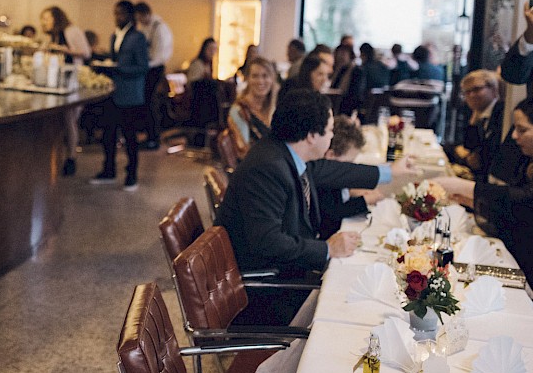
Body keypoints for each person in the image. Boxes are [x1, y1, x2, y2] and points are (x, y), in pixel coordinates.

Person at [215, 89, 413, 323]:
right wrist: (327, 249)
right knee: (363, 304)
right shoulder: (267, 168)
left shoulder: (284, 152)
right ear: (311, 135)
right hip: (268, 290)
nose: (331, 137)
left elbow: (332, 171)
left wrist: (390, 171)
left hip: (284, 273)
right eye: (329, 130)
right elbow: (267, 242)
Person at [432, 97, 533, 282]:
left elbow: (524, 202)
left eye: (523, 130)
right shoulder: (526, 160)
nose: (514, 136)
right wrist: (473, 201)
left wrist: (468, 188)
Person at [90, 0, 148, 191]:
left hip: (130, 95)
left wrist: (118, 68)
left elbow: (142, 67)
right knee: (109, 134)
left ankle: (132, 175)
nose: (117, 17)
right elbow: (115, 60)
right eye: (115, 13)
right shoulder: (115, 36)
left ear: (130, 16)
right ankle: (109, 170)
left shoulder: (138, 38)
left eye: (121, 14)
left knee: (130, 137)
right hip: (113, 92)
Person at [41, 6, 92, 175]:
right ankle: (56, 157)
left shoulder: (72, 31)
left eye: (47, 18)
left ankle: (71, 158)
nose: (44, 22)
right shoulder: (51, 36)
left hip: (73, 81)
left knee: (70, 118)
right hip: (56, 82)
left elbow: (86, 53)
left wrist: (65, 50)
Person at [317, 115, 385, 239]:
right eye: (349, 163)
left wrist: (350, 192)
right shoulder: (322, 179)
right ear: (331, 155)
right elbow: (332, 213)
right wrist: (365, 200)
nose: (352, 167)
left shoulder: (331, 173)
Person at [444, 69, 503, 182]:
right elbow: (469, 147)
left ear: (494, 89)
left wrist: (466, 156)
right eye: (466, 92)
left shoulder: (500, 113)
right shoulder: (479, 114)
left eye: (476, 89)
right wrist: (473, 121)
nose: (471, 95)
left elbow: (477, 159)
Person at [133, 1, 174, 150]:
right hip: (149, 67)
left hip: (154, 68)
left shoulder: (159, 28)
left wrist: (143, 65)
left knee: (150, 102)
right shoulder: (146, 27)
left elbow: (159, 55)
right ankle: (148, 134)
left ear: (146, 14)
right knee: (146, 102)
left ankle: (153, 137)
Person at [226, 55, 277, 152]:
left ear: (272, 79)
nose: (260, 81)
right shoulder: (239, 110)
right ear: (247, 79)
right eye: (255, 76)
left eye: (265, 76)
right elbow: (243, 150)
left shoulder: (275, 107)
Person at [330, 43, 365, 116]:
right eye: (338, 54)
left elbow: (356, 95)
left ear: (350, 55)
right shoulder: (339, 69)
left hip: (348, 108)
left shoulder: (357, 71)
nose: (340, 57)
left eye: (343, 54)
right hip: (338, 104)